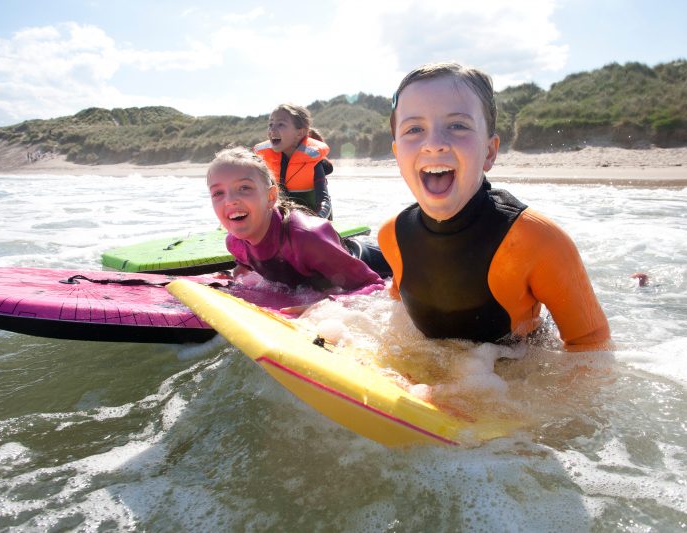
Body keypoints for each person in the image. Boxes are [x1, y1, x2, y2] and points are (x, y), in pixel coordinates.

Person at [378, 62, 611, 351]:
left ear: (489, 152)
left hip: (517, 370)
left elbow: (591, 345)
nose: (434, 144)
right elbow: (397, 317)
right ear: (398, 154)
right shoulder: (392, 235)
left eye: (457, 126)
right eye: (414, 129)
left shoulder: (539, 241)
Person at [207, 146, 384, 292]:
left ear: (271, 197)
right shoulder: (234, 243)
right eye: (218, 193)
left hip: (377, 263)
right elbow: (249, 265)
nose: (230, 200)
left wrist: (324, 308)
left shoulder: (306, 237)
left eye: (244, 187)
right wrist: (234, 275)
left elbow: (373, 285)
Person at [254, 104, 333, 219]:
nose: (272, 129)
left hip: (314, 222)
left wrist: (316, 222)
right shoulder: (265, 162)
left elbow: (324, 202)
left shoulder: (314, 163)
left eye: (281, 124)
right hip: (283, 221)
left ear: (299, 133)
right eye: (270, 124)